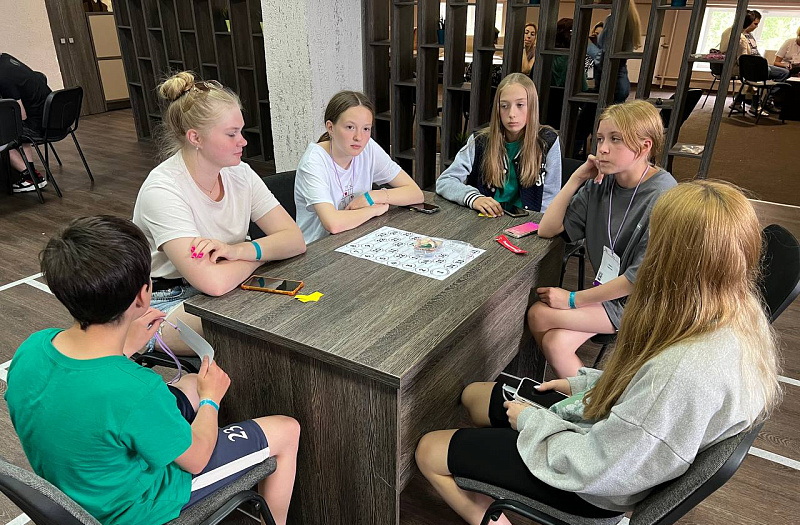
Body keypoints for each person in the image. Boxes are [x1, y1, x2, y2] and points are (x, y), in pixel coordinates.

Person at [416, 179, 780, 525]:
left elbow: (604, 465)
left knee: (429, 451)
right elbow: (640, 399)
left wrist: (532, 421)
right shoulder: (737, 311)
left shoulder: (683, 371)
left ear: (674, 258)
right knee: (476, 396)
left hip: (594, 482)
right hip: (611, 443)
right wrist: (586, 383)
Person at [5, 216, 300, 525]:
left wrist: (125, 348)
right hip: (133, 511)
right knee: (286, 430)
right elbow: (196, 460)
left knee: (190, 384)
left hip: (76, 499)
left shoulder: (32, 347)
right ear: (143, 295)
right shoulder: (136, 389)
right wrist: (211, 400)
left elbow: (84, 398)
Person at [133, 72, 305, 356]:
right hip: (163, 305)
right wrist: (260, 254)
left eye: (241, 131)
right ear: (195, 137)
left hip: (229, 279)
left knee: (290, 311)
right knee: (256, 331)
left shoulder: (241, 174)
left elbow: (294, 240)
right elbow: (212, 283)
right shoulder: (162, 190)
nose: (243, 141)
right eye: (231, 133)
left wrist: (237, 252)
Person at [529, 100, 677, 378]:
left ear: (644, 147)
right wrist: (576, 178)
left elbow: (636, 280)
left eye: (615, 139)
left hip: (642, 303)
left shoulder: (664, 196)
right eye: (599, 139)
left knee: (539, 315)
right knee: (555, 343)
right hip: (607, 294)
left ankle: (584, 397)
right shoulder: (602, 181)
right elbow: (547, 229)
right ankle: (588, 400)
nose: (602, 148)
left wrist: (573, 299)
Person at [294, 91, 423, 244]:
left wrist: (372, 197)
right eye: (350, 127)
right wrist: (374, 209)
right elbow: (333, 224)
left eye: (366, 129)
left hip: (357, 238)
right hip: (319, 249)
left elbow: (415, 193)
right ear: (330, 127)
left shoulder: (368, 148)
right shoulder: (313, 162)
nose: (359, 137)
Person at [436, 73, 561, 217]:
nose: (512, 114)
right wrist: (474, 198)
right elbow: (444, 181)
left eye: (520, 105)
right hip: (485, 220)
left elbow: (550, 200)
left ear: (532, 107)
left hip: (528, 222)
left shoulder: (547, 141)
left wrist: (537, 224)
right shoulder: (480, 141)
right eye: (504, 106)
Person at [0, 53, 50, 193]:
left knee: (4, 135)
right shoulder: (6, 59)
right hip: (51, 118)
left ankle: (30, 176)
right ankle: (30, 173)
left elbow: (21, 116)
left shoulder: (3, 77)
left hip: (38, 126)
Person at [594, 0, 642, 103]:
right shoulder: (632, 19)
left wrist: (598, 34)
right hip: (621, 62)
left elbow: (602, 42)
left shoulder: (613, 18)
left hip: (606, 62)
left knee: (602, 99)